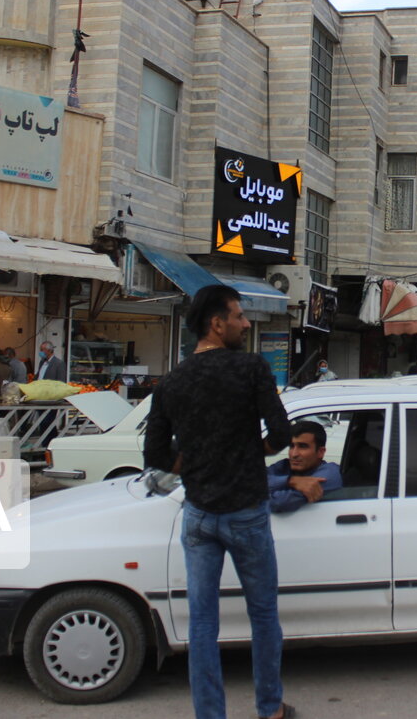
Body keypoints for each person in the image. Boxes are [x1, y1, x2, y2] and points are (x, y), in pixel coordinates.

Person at [143, 284, 295, 719]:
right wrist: (254, 451)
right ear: (217, 323)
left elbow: (154, 456)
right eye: (239, 316)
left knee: (203, 625)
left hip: (198, 515)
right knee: (263, 615)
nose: (246, 324)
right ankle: (270, 708)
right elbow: (282, 435)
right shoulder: (251, 369)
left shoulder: (172, 380)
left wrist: (191, 463)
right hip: (246, 512)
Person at [267, 421, 343, 513]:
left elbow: (279, 502)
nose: (294, 454)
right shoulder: (284, 466)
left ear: (320, 452)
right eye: (291, 446)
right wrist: (290, 481)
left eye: (302, 446)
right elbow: (252, 481)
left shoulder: (329, 474)